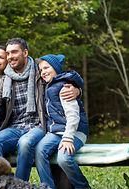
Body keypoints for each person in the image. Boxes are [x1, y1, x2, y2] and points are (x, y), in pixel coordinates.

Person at [0, 38, 81, 181]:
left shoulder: (38, 71)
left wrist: (77, 89)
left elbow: (61, 77)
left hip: (38, 125)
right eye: (8, 53)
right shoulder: (6, 79)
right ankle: (2, 182)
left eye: (14, 52)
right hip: (16, 126)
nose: (10, 56)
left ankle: (19, 183)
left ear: (25, 52)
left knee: (25, 143)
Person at [35, 54, 90, 189]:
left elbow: (73, 116)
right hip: (56, 132)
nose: (43, 72)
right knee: (39, 150)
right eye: (41, 70)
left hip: (74, 132)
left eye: (46, 68)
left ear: (56, 68)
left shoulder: (64, 88)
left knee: (63, 158)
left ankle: (83, 186)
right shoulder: (49, 86)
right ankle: (47, 186)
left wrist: (67, 138)